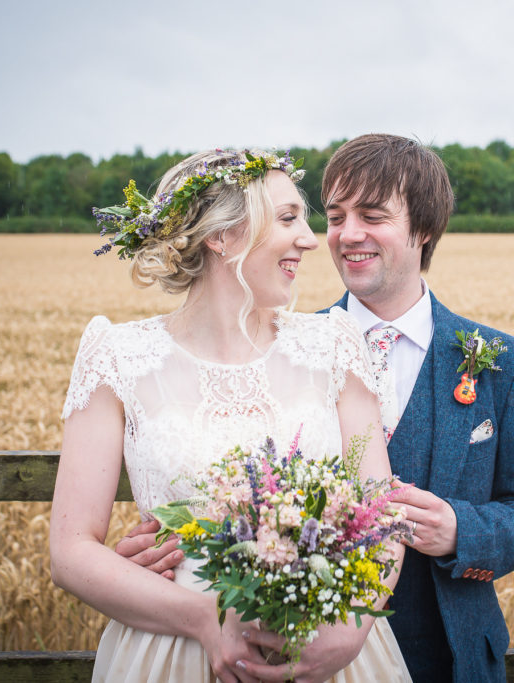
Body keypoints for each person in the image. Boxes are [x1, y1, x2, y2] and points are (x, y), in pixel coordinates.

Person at [122, 134, 514, 682]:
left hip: (452, 654)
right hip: (294, 646)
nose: (347, 235)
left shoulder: (502, 362)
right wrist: (176, 542)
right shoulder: (287, 352)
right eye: (335, 216)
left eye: (372, 216)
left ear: (423, 229)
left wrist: (460, 529)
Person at [50, 148, 411, 683]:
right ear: (221, 236)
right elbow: (71, 549)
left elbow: (380, 511)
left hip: (324, 647)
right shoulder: (117, 358)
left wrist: (351, 630)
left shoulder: (334, 344)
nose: (311, 239)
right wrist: (204, 619)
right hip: (170, 652)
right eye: (288, 218)